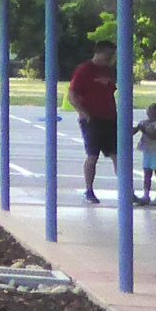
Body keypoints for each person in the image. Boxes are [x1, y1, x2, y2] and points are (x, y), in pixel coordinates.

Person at [69, 43, 119, 205]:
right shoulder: (84, 70)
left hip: (110, 118)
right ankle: (89, 190)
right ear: (98, 52)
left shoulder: (109, 71)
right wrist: (84, 114)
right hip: (92, 119)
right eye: (108, 54)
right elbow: (73, 94)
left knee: (117, 156)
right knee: (92, 156)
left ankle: (126, 190)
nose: (111, 58)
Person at [134, 103, 156, 206]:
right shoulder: (143, 123)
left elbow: (155, 136)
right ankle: (146, 195)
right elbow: (134, 130)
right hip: (147, 152)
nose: (148, 111)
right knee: (147, 175)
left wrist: (144, 130)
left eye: (151, 110)